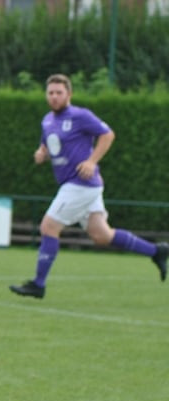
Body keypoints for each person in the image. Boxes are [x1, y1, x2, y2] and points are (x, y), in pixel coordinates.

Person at [9, 74, 167, 299]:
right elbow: (47, 143)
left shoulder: (80, 116)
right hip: (79, 186)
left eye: (59, 93)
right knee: (102, 235)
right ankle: (157, 251)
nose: (54, 97)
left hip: (80, 184)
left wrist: (92, 161)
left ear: (69, 94)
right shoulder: (47, 120)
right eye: (50, 93)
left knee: (48, 227)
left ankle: (38, 284)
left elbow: (107, 134)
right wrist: (41, 153)